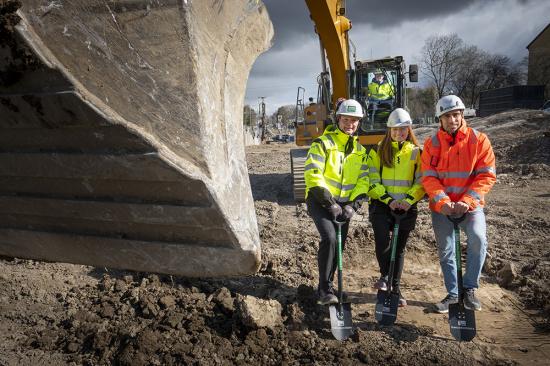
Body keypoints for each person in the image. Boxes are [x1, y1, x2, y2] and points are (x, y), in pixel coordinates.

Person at [421, 95, 496, 313]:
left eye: (456, 115)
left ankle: (469, 289)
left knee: (478, 239)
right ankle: (453, 294)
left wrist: (468, 200)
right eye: (447, 116)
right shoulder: (431, 144)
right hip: (442, 208)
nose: (452, 119)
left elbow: (486, 176)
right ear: (440, 119)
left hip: (470, 206)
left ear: (462, 115)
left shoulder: (479, 140)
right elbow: (428, 177)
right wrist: (442, 201)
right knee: (446, 251)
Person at [304, 99, 369, 305]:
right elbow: (313, 174)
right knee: (330, 238)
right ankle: (324, 289)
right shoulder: (323, 143)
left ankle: (330, 287)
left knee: (339, 246)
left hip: (345, 206)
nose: (350, 124)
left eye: (355, 120)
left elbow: (363, 180)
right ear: (338, 119)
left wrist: (353, 205)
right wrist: (329, 202)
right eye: (346, 119)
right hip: (320, 201)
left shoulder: (360, 151)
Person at [364, 108, 425, 307]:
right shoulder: (378, 150)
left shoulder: (417, 152)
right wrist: (389, 200)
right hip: (382, 205)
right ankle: (385, 277)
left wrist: (407, 200)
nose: (399, 133)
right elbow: (372, 180)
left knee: (398, 250)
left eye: (403, 129)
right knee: (383, 243)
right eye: (395, 129)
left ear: (409, 130)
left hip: (406, 206)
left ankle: (395, 288)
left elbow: (421, 181)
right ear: (389, 130)